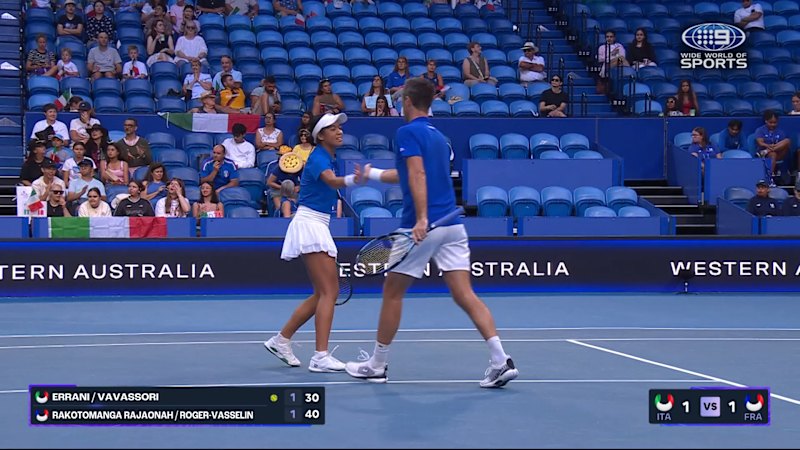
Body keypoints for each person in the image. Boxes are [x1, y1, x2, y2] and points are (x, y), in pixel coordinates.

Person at [345, 78, 518, 388]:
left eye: (401, 99)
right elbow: (406, 173)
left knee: (392, 293)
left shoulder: (407, 132)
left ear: (408, 102)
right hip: (452, 225)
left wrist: (422, 218)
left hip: (423, 226)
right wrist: (371, 174)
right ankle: (500, 360)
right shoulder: (438, 136)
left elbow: (417, 173)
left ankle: (377, 365)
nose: (399, 103)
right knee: (464, 294)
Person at [262, 112, 357, 373]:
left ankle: (281, 340)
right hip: (310, 224)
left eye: (339, 128)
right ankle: (320, 356)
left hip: (317, 223)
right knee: (329, 293)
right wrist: (355, 179)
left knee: (322, 293)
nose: (339, 131)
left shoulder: (326, 157)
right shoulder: (318, 158)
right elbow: (332, 182)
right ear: (321, 135)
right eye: (333, 128)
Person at [754, 110, 791, 185]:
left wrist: (770, 149)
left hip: (778, 153)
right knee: (773, 154)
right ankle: (769, 179)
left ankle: (767, 151)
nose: (773, 124)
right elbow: (760, 143)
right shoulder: (760, 130)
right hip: (764, 155)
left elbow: (784, 145)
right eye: (770, 122)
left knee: (787, 141)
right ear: (766, 121)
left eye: (775, 122)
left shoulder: (780, 131)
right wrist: (767, 146)